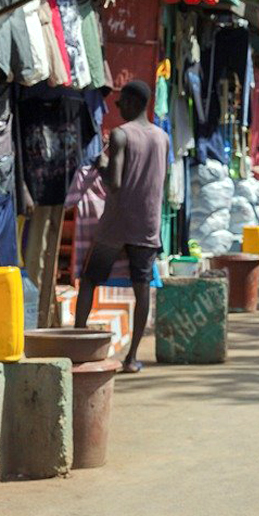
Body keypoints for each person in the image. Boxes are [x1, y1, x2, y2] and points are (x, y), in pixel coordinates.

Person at [74, 81, 169, 374]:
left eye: (120, 102)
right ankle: (132, 358)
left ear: (132, 102)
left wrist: (101, 164)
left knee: (90, 281)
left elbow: (114, 182)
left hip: (116, 224)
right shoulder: (163, 137)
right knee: (142, 289)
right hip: (147, 224)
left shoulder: (120, 135)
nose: (117, 108)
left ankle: (78, 348)